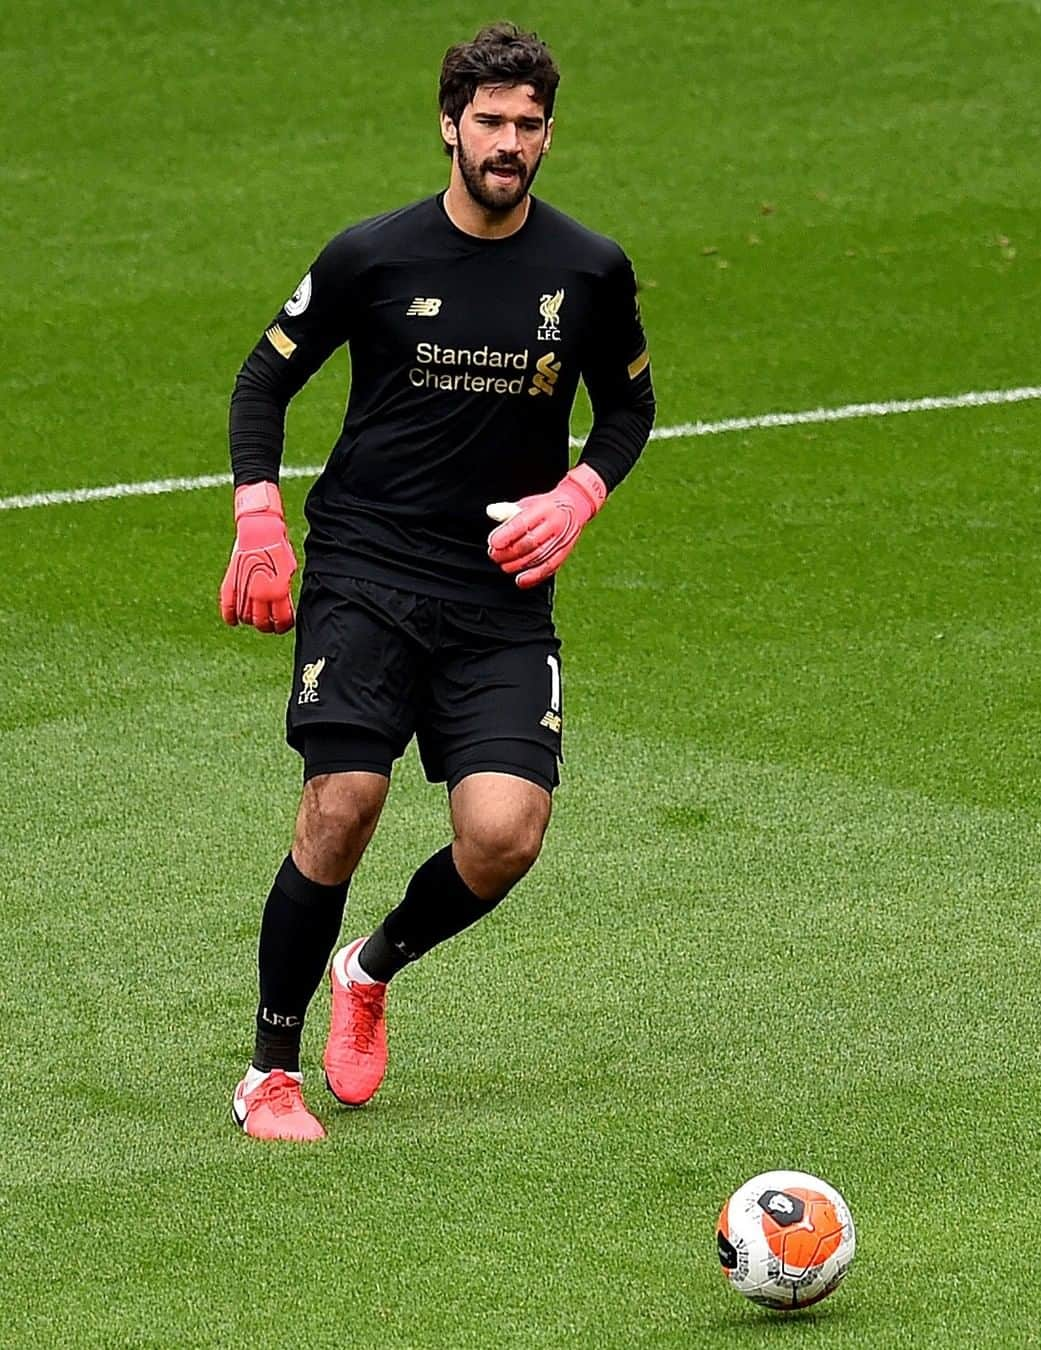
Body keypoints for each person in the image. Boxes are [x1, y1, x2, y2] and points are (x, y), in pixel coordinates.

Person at [222, 21, 655, 1141]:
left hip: (500, 594)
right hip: (367, 568)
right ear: (450, 126)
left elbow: (628, 407)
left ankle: (369, 970)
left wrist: (578, 496)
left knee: (506, 833)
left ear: (548, 136)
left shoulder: (589, 268)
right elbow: (262, 384)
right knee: (344, 802)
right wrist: (258, 514)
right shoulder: (374, 255)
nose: (508, 142)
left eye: (528, 125)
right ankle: (269, 1071)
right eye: (490, 122)